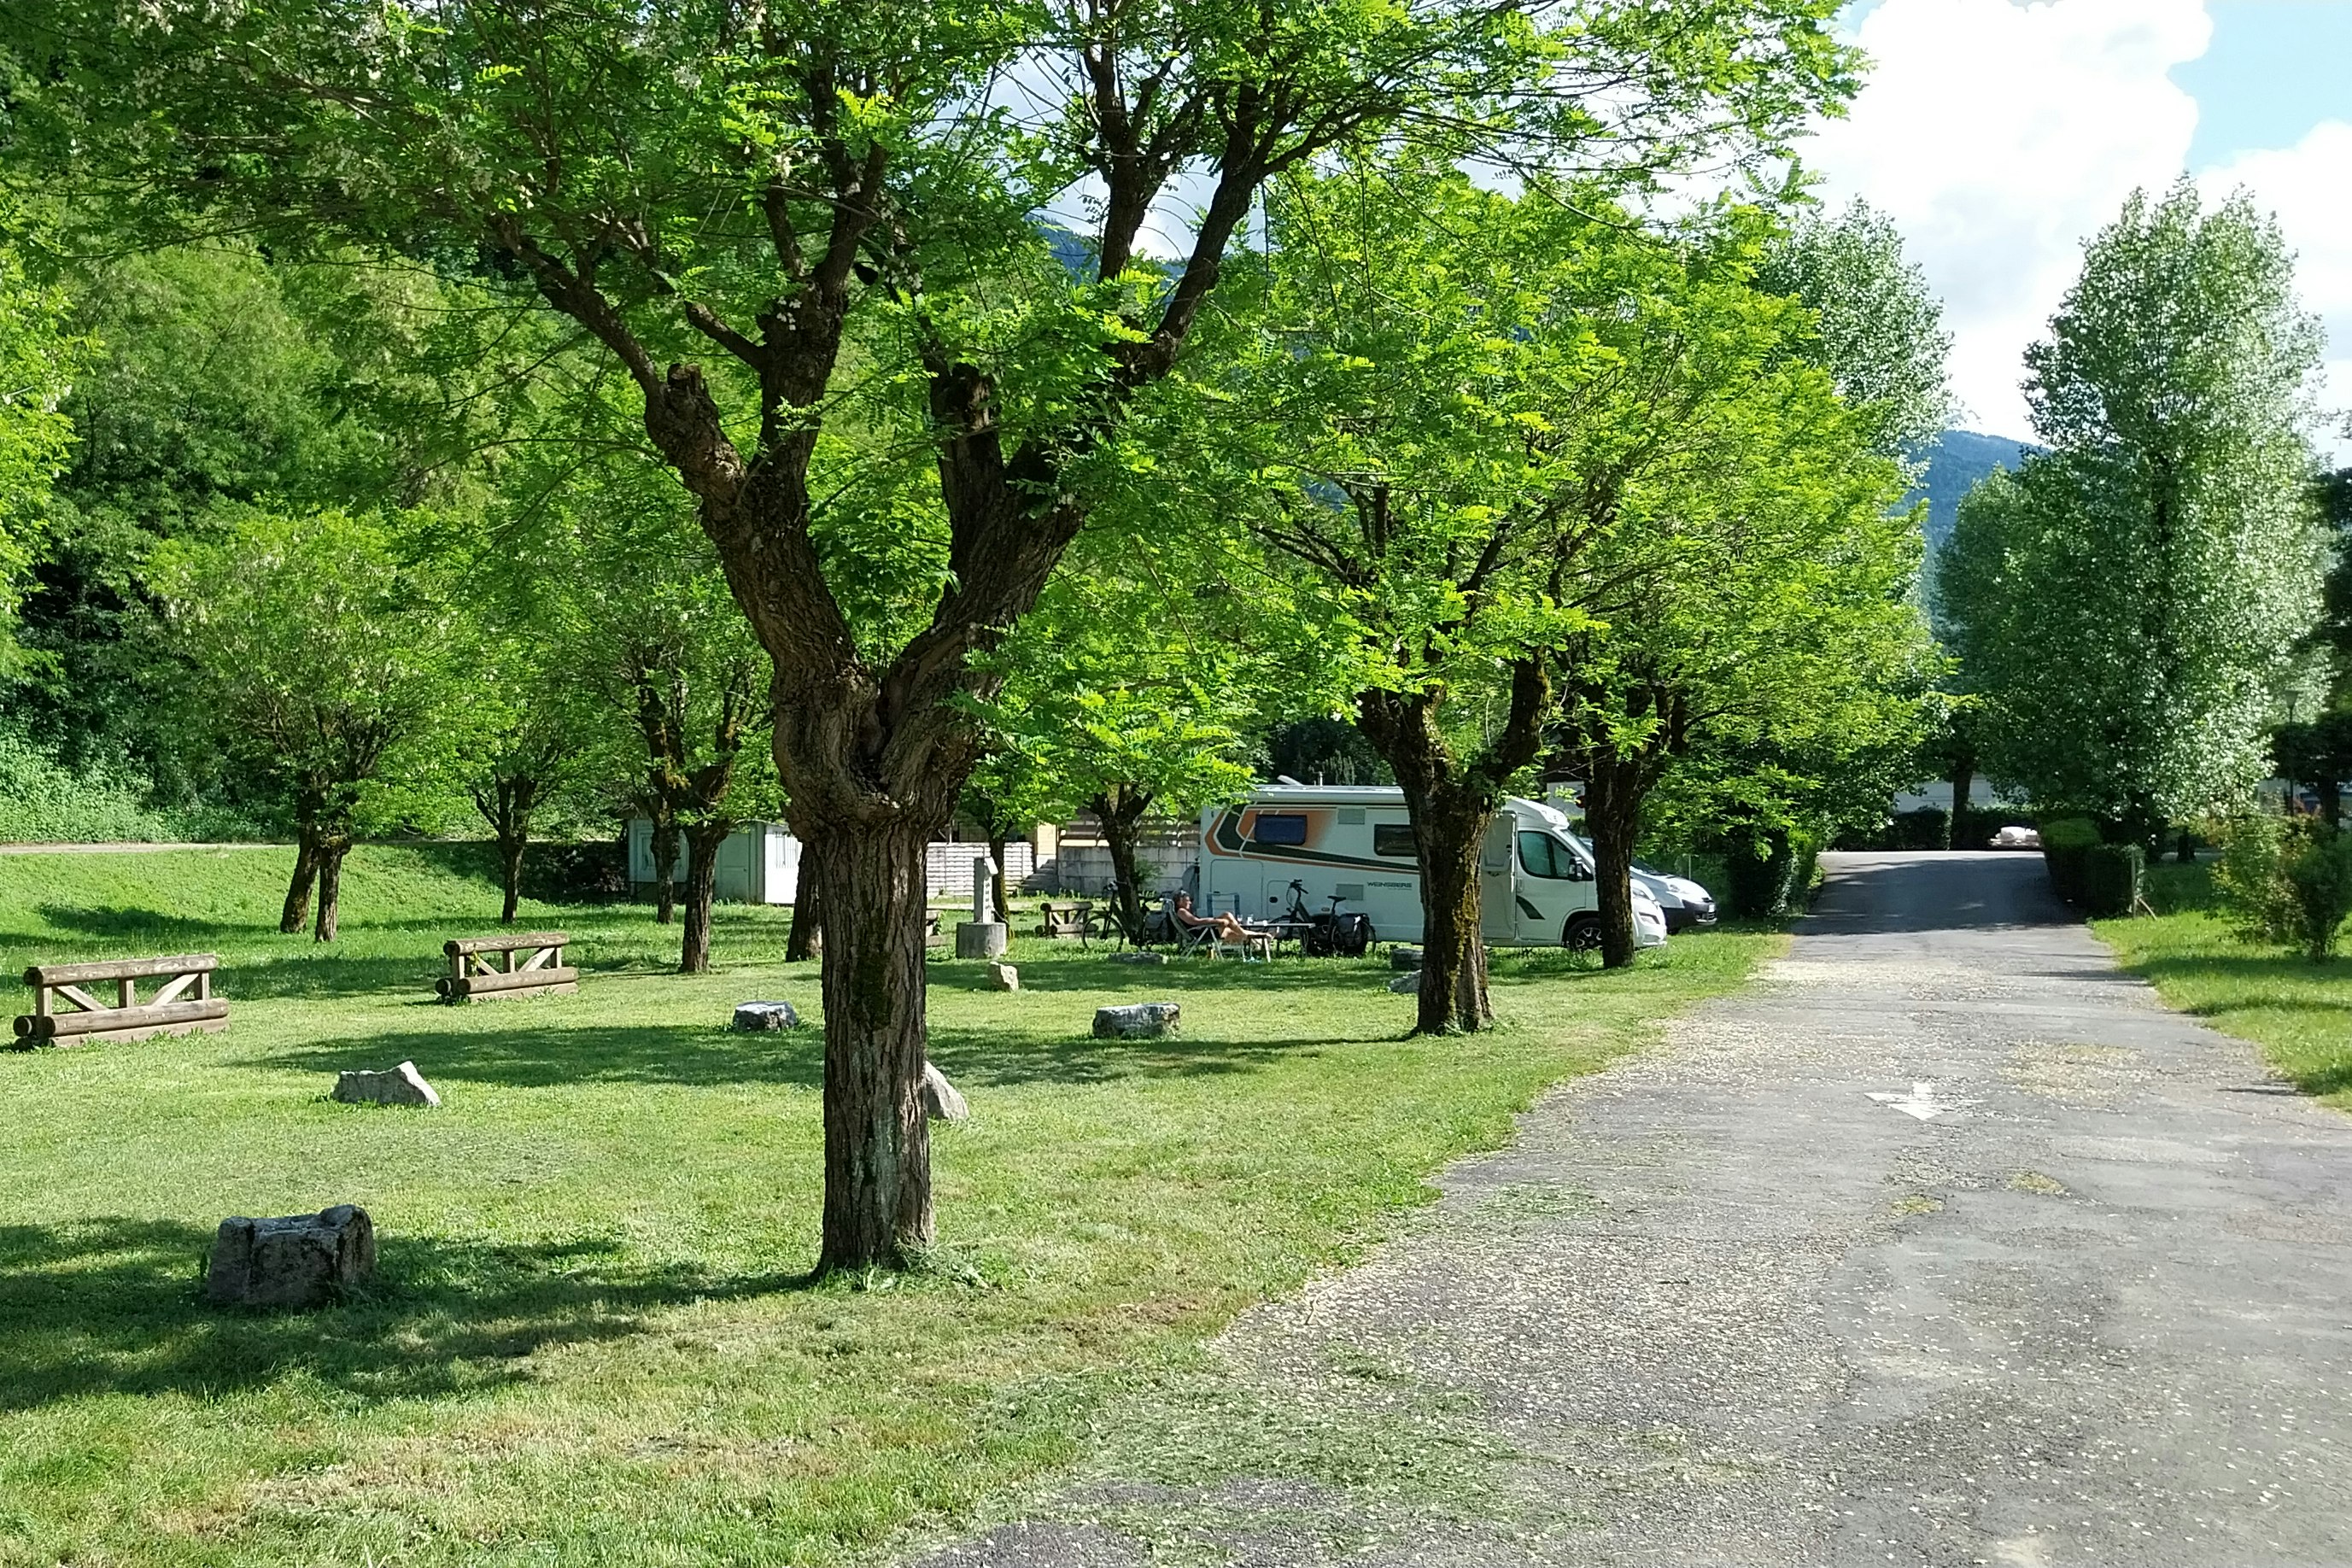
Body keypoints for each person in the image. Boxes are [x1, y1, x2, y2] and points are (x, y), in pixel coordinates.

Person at [1172, 891, 1257, 945]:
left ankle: (1261, 938)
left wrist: (1217, 921)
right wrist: (1217, 921)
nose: (1190, 903)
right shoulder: (1181, 911)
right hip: (1202, 934)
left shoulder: (1182, 911)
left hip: (1204, 931)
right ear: (1180, 902)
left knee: (1234, 929)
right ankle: (1254, 938)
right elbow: (1195, 921)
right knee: (1227, 916)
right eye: (1187, 900)